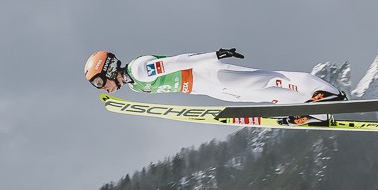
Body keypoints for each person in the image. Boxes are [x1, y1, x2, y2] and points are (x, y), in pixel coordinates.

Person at [83, 49, 347, 125]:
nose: (102, 88)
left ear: (108, 69)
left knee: (270, 79)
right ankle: (313, 111)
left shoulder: (139, 69)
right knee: (265, 95)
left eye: (99, 82)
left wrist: (213, 55)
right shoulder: (136, 86)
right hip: (207, 87)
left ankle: (328, 95)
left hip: (208, 73)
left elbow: (178, 61)